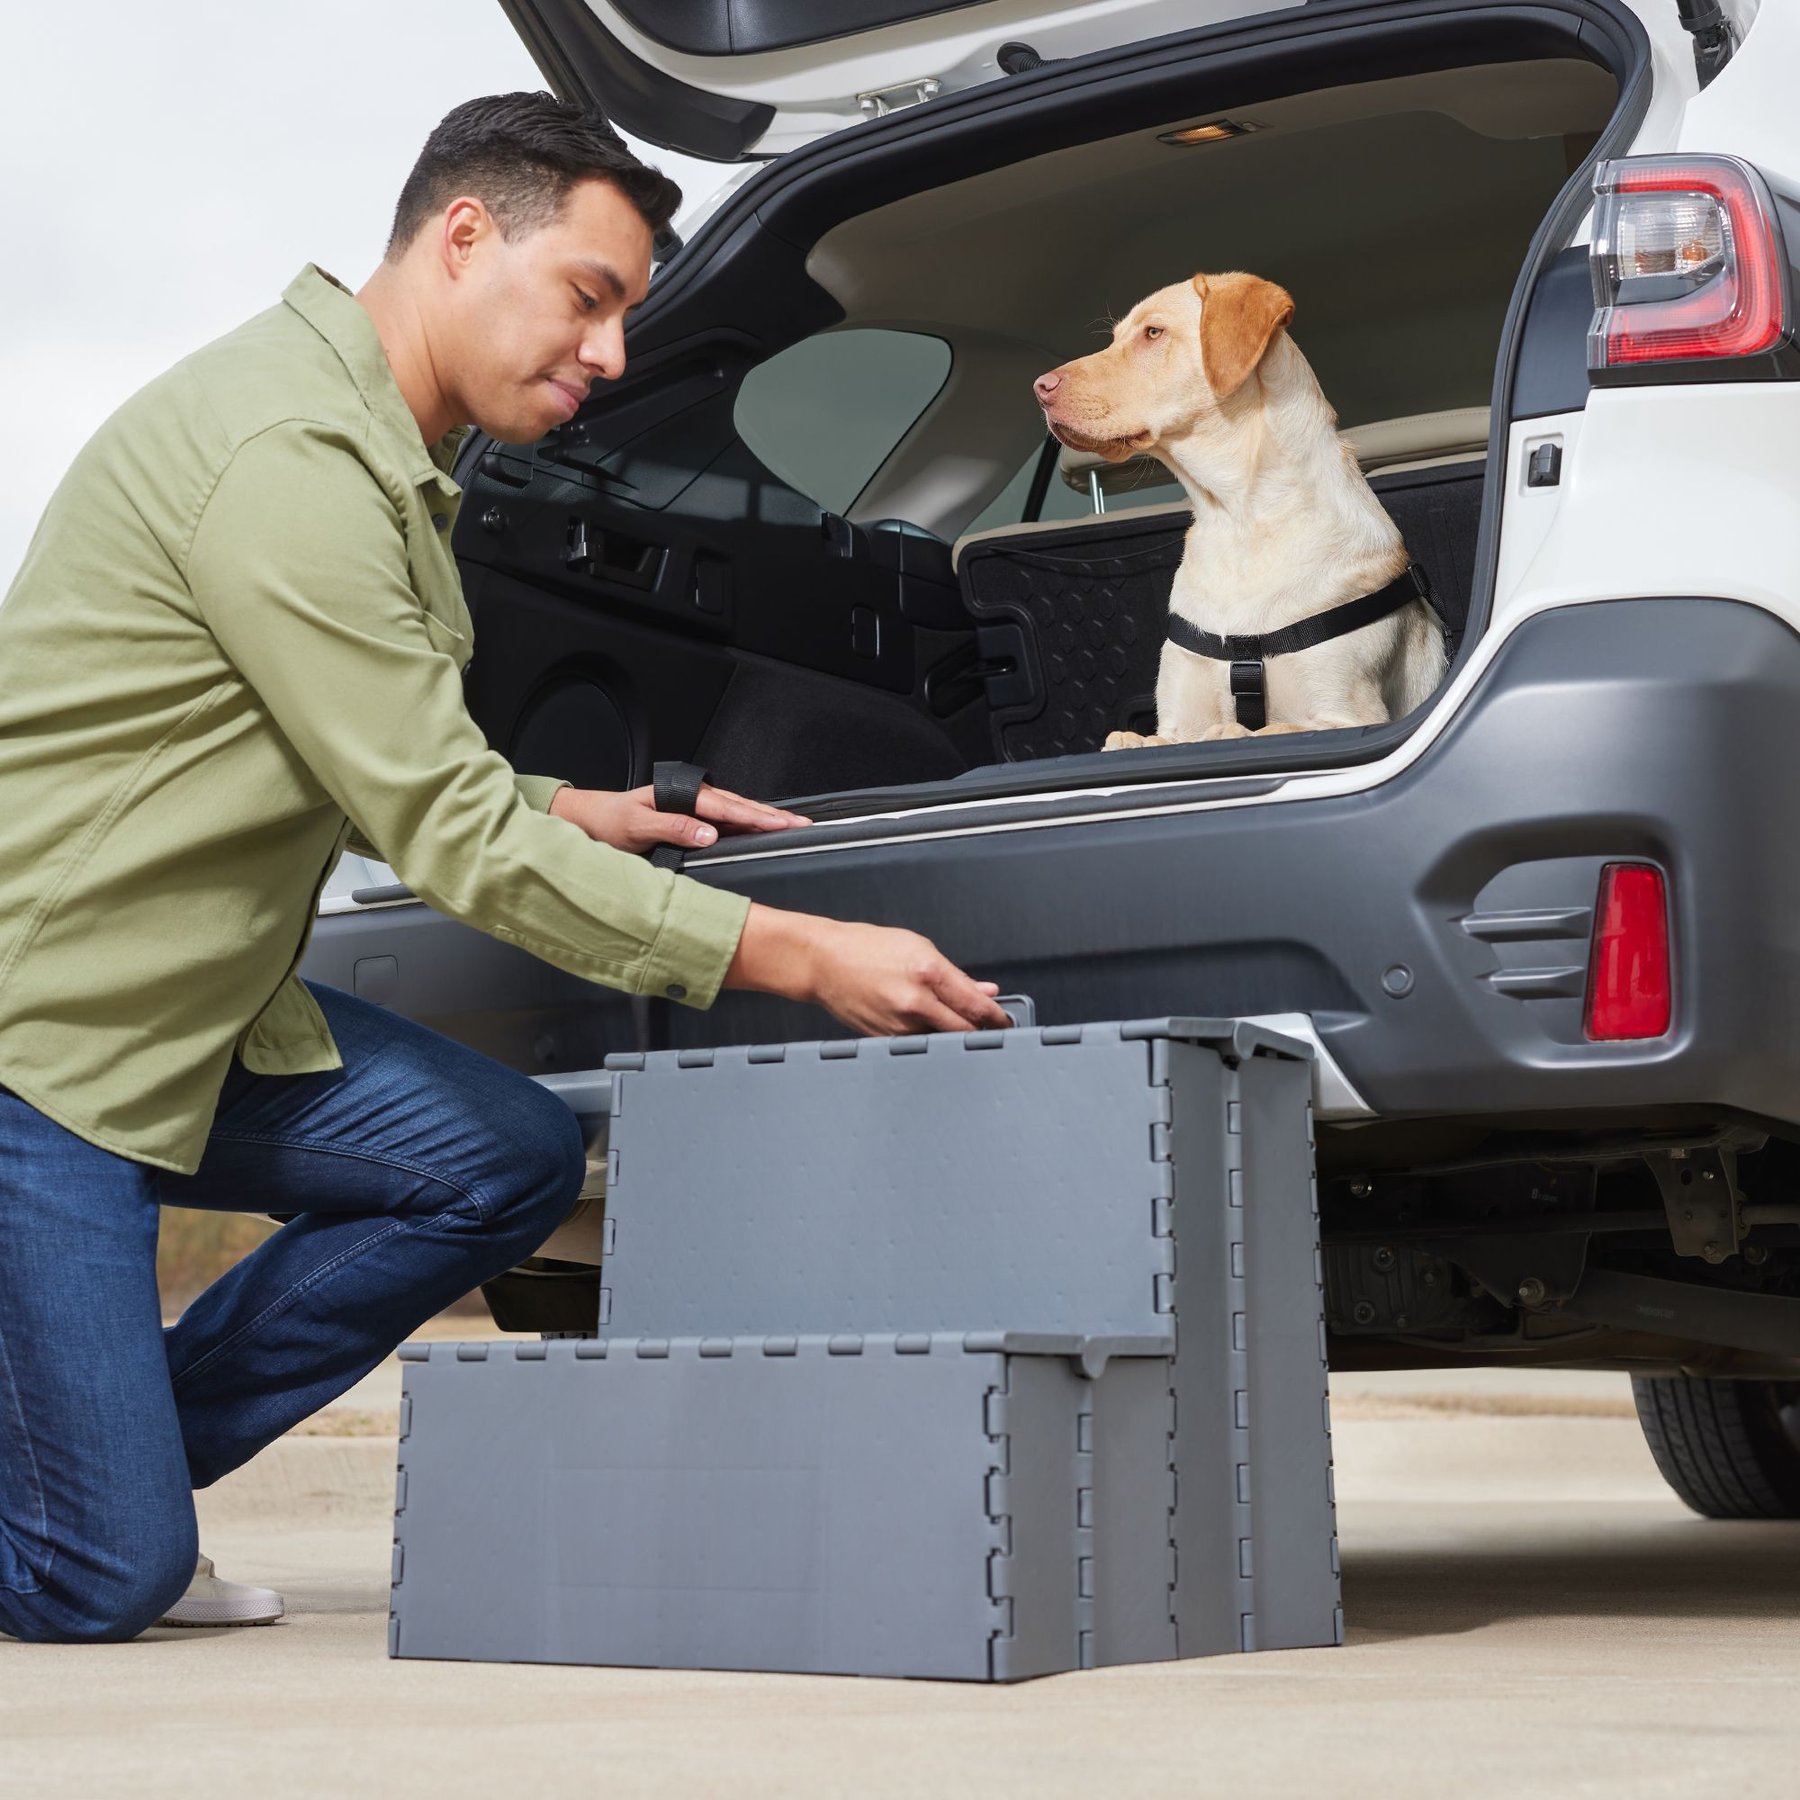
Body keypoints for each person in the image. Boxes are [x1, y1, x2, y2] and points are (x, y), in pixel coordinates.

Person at [0, 92, 1009, 1645]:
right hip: (38, 1046)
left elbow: (337, 755)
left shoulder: (389, 453)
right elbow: (447, 837)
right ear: (464, 239)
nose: (611, 356)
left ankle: (78, 1472)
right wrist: (799, 956)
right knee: (95, 1581)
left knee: (500, 1156)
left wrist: (564, 804)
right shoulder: (291, 457)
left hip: (187, 1027)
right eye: (589, 298)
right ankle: (81, 1515)